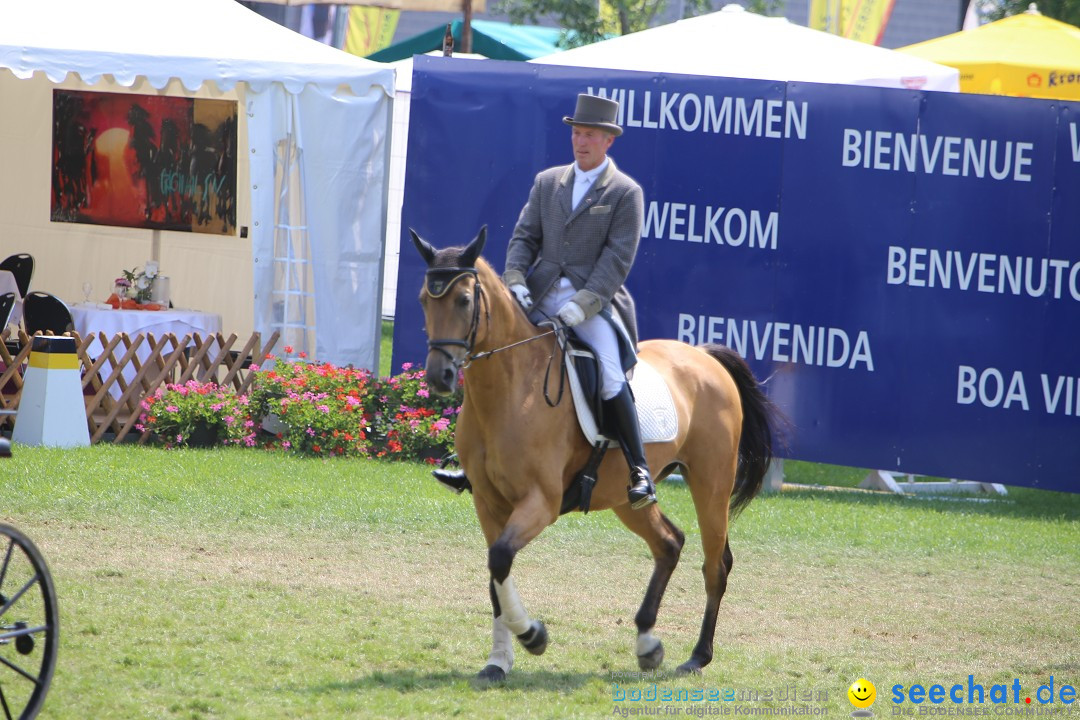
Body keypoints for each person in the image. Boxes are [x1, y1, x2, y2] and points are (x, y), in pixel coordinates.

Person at [433, 94, 655, 509]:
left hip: (594, 302)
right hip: (538, 292)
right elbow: (524, 237)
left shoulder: (626, 192)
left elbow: (617, 260)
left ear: (608, 140)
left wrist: (583, 304)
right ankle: (469, 458)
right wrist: (515, 279)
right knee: (488, 352)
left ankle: (638, 468)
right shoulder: (548, 181)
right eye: (576, 133)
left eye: (589, 135)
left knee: (609, 373)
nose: (580, 141)